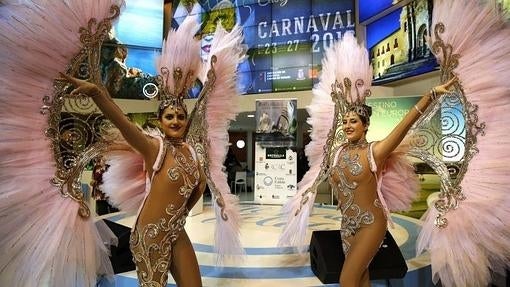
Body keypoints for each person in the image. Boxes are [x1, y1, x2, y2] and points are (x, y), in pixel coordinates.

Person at [60, 73, 206, 287]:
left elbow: (200, 184)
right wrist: (97, 94)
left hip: (177, 231)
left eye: (181, 117)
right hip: (150, 236)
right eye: (169, 116)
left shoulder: (190, 151)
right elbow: (122, 123)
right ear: (160, 121)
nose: (176, 121)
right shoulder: (154, 147)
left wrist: (182, 213)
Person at [330, 77, 456, 287]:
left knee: (347, 279)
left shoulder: (375, 151)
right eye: (344, 121)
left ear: (366, 125)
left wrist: (430, 96)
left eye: (353, 121)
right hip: (347, 225)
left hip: (371, 224)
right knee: (361, 278)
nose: (347, 126)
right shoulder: (337, 153)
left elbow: (405, 124)